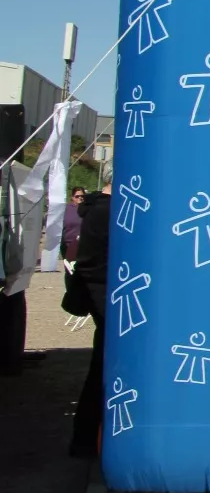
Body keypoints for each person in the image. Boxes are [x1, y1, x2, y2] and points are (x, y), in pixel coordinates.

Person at [67, 186, 111, 458]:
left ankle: (85, 440)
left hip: (98, 292)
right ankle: (86, 440)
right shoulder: (107, 211)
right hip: (104, 293)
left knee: (100, 365)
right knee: (103, 367)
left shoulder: (97, 209)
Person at [62, 187, 86, 262]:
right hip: (68, 244)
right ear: (72, 197)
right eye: (77, 196)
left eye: (82, 196)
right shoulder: (66, 208)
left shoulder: (88, 208)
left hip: (83, 245)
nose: (80, 198)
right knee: (69, 269)